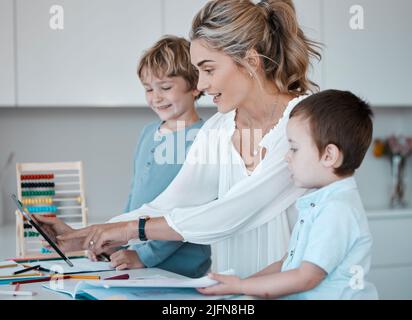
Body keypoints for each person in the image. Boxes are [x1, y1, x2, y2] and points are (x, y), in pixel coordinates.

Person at [34, 0, 321, 278]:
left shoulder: (307, 121)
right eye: (197, 72)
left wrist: (130, 230)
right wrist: (83, 236)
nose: (201, 85)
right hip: (235, 290)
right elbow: (171, 204)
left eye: (208, 69)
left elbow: (230, 214)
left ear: (250, 61)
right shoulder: (218, 130)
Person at [55, 35, 212, 278]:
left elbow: (192, 214)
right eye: (148, 89)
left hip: (180, 270)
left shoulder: (205, 138)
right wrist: (112, 241)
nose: (155, 97)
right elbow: (134, 200)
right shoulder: (148, 133)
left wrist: (144, 255)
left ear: (195, 86)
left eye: (166, 87)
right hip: (138, 263)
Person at [197, 90, 378, 299]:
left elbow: (305, 277)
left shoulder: (336, 210)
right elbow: (286, 264)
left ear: (328, 155)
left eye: (294, 148)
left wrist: (240, 286)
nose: (287, 157)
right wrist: (240, 287)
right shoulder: (320, 203)